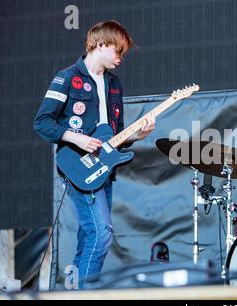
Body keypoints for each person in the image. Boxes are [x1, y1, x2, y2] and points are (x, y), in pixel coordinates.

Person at [33, 21, 155, 288]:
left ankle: (77, 291)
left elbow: (116, 135)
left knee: (90, 235)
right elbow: (42, 122)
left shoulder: (114, 85)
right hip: (78, 166)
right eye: (117, 51)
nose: (120, 58)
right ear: (100, 44)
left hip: (104, 169)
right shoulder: (67, 77)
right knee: (101, 234)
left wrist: (137, 135)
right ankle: (89, 295)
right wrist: (75, 137)